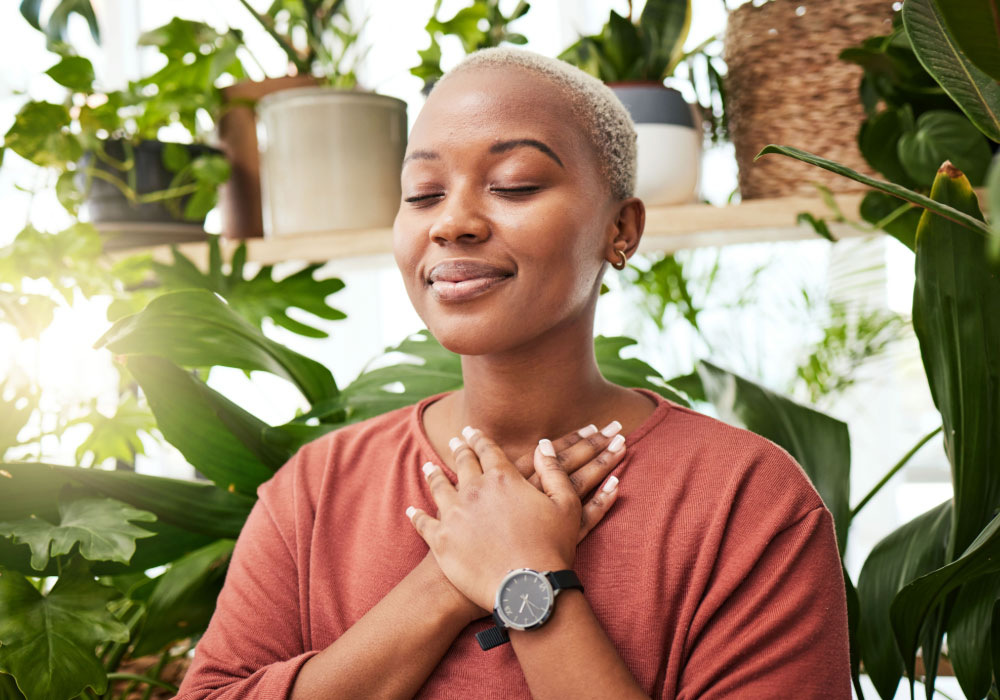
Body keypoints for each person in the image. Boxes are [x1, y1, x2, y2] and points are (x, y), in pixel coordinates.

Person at [175, 47, 851, 699]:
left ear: (622, 229)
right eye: (423, 192)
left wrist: (529, 581)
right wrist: (444, 581)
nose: (453, 222)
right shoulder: (316, 492)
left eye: (514, 185)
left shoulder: (748, 505)